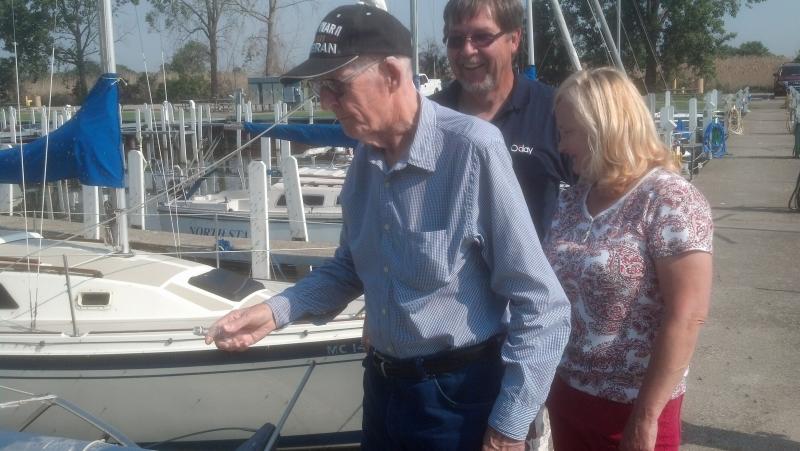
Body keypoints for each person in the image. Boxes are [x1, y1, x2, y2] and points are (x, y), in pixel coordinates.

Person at [204, 4, 571, 451]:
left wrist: (510, 426)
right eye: (322, 88)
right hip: (382, 389)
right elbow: (350, 267)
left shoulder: (472, 150)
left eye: (337, 86)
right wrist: (276, 310)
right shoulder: (365, 160)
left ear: (393, 77)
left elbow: (542, 304)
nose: (325, 102)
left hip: (457, 398)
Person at [543, 67, 714, 451]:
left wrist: (645, 418)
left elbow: (687, 314)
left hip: (635, 411)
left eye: (568, 132)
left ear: (604, 128)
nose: (562, 145)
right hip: (568, 399)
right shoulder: (572, 200)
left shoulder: (669, 199)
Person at [430, 0, 574, 241]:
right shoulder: (429, 117)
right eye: (456, 39)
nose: (467, 51)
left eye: (482, 37)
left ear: (514, 39)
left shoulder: (554, 111)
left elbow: (603, 195)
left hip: (533, 275)